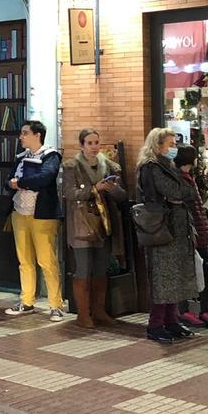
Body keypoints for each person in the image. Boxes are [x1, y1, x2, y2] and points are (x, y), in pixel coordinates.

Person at [136, 127, 199, 344]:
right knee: (163, 278)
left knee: (175, 277)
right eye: (170, 144)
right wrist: (180, 195)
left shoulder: (168, 166)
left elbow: (189, 192)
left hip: (177, 229)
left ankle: (171, 321)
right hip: (162, 230)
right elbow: (177, 192)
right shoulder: (152, 167)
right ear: (157, 145)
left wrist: (182, 195)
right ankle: (156, 325)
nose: (174, 149)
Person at [61, 127, 126, 329]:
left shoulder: (111, 167)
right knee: (83, 269)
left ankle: (99, 311)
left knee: (100, 269)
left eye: (96, 143)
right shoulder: (72, 166)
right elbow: (69, 193)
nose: (94, 147)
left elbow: (122, 196)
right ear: (82, 145)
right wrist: (93, 190)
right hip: (82, 225)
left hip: (104, 224)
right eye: (89, 143)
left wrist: (112, 188)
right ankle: (83, 313)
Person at [4, 120, 66, 321]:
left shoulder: (51, 156)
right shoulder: (21, 157)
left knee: (47, 260)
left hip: (42, 215)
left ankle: (55, 304)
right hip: (20, 213)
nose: (21, 137)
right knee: (25, 261)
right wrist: (14, 183)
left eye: (25, 133)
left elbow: (45, 178)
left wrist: (20, 183)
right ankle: (27, 300)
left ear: (37, 135)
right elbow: (8, 180)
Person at [174, 146, 208, 330]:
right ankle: (187, 310)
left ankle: (202, 309)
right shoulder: (180, 179)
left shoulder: (189, 178)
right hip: (191, 233)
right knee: (197, 270)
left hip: (199, 232)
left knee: (205, 269)